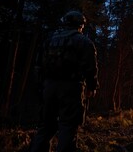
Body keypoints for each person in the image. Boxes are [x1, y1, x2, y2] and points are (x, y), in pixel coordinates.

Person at [30, 10, 99, 152]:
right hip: (72, 88)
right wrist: (92, 87)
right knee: (68, 127)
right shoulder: (84, 42)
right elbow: (91, 68)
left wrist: (41, 86)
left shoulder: (49, 40)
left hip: (48, 87)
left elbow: (38, 65)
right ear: (81, 25)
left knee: (45, 127)